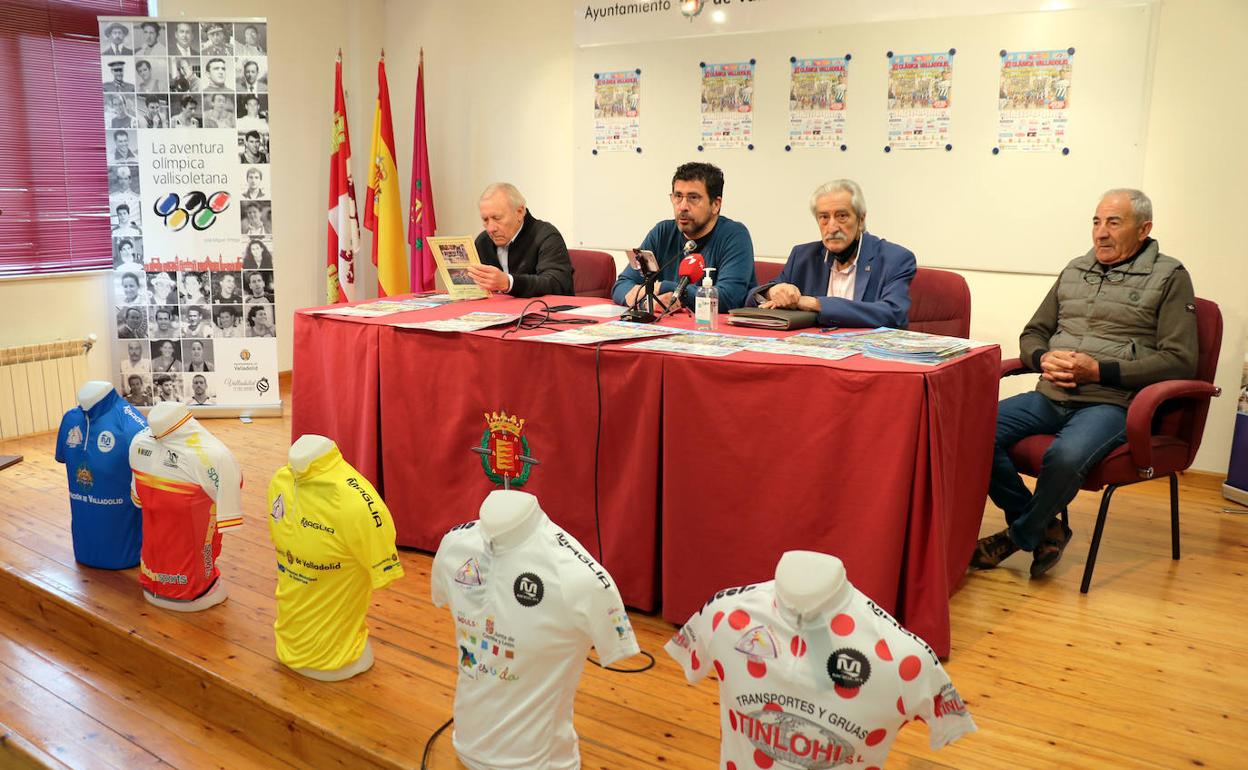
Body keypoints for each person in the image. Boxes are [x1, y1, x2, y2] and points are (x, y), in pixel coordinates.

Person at [971, 189, 1198, 578]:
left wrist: (1100, 372)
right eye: (1096, 222)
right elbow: (1033, 333)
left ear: (1144, 229)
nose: (1100, 233)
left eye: (1114, 222)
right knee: (973, 431)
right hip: (1051, 394)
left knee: (1065, 456)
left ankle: (1016, 537)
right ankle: (1046, 528)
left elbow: (1180, 360)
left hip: (1110, 401)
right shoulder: (1075, 269)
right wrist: (1042, 357)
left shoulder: (1170, 277)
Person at [747, 179, 916, 328]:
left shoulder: (895, 258)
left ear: (861, 219)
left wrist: (816, 304)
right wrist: (772, 292)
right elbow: (751, 298)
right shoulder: (803, 256)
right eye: (824, 217)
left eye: (842, 216)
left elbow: (894, 314)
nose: (832, 227)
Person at [611, 162, 755, 313]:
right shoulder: (662, 232)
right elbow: (622, 286)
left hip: (714, 330)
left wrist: (664, 287)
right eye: (678, 196)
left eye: (693, 197)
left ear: (715, 205)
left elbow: (728, 299)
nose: (683, 206)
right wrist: (647, 303)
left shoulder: (734, 235)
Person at [468, 183, 573, 298]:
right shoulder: (483, 241)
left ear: (519, 212)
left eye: (497, 218)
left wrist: (509, 283)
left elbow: (556, 283)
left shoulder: (546, 235)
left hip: (543, 312)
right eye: (485, 220)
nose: (490, 228)